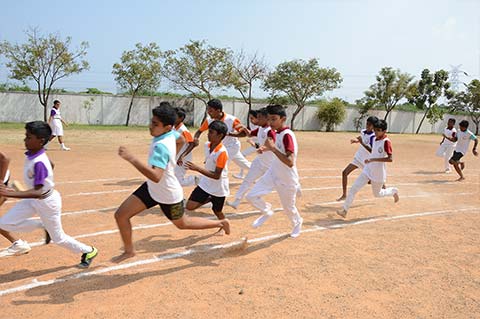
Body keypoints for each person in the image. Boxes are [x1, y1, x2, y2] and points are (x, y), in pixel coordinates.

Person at [113, 105, 230, 263]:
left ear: (167, 126)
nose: (150, 126)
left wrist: (132, 159)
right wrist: (173, 158)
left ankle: (221, 222)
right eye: (152, 122)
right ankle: (129, 251)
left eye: (155, 124)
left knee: (183, 224)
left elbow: (156, 176)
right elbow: (180, 140)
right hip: (151, 189)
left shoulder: (161, 147)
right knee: (121, 215)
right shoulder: (172, 133)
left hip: (168, 193)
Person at [0, 121, 97, 267]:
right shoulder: (34, 154)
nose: (25, 140)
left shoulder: (39, 162)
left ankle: (89, 250)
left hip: (47, 202)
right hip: (33, 199)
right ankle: (43, 225)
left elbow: (39, 191)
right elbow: (51, 164)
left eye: (29, 137)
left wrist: (11, 194)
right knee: (4, 224)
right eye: (25, 136)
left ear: (41, 141)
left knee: (59, 238)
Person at [246, 104, 303, 238]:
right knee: (251, 196)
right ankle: (266, 211)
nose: (270, 123)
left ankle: (298, 222)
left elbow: (290, 162)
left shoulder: (287, 135)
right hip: (272, 173)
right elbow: (274, 145)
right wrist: (265, 148)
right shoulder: (278, 133)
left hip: (286, 178)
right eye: (269, 119)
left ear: (283, 119)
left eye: (274, 119)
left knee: (288, 209)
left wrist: (272, 149)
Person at [337, 119, 399, 218]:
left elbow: (390, 159)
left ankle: (393, 191)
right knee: (354, 188)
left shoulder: (386, 142)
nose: (376, 132)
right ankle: (344, 210)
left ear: (384, 131)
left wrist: (373, 159)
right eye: (375, 130)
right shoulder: (374, 139)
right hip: (368, 170)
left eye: (378, 130)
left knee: (377, 194)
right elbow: (371, 150)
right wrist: (369, 158)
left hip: (378, 173)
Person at [178, 99, 251, 180]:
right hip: (218, 146)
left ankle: (216, 185)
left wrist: (229, 134)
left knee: (220, 168)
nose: (208, 112)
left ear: (218, 110)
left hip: (231, 147)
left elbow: (243, 134)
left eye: (211, 110)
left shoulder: (231, 120)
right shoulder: (209, 120)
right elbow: (199, 131)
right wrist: (196, 138)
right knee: (245, 164)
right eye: (208, 110)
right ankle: (262, 170)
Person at [184, 121, 230, 235]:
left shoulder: (222, 152)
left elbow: (216, 175)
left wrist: (197, 168)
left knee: (217, 211)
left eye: (211, 132)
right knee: (189, 206)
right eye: (208, 132)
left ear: (220, 136)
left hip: (218, 186)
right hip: (205, 182)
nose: (208, 134)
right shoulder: (207, 145)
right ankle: (208, 198)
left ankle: (224, 225)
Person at [227, 108, 276, 209]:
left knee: (278, 184)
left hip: (270, 165)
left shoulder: (270, 131)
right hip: (259, 162)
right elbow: (249, 134)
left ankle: (294, 187)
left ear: (267, 119)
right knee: (247, 181)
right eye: (257, 117)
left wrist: (261, 148)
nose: (257, 120)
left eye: (259, 118)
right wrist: (244, 128)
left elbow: (271, 145)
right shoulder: (260, 128)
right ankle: (236, 201)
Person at [337, 116, 378, 201]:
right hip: (358, 158)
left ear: (374, 127)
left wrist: (362, 142)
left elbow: (371, 151)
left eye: (370, 125)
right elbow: (363, 138)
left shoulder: (373, 137)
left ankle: (387, 190)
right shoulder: (363, 131)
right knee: (344, 172)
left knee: (375, 180)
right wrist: (357, 141)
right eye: (367, 123)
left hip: (367, 162)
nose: (367, 126)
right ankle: (344, 195)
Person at [173, 107, 198, 186]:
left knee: (178, 181)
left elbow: (192, 144)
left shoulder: (183, 130)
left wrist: (182, 156)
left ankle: (197, 180)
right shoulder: (174, 128)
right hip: (176, 157)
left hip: (183, 158)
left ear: (181, 118)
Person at [235, 110, 260, 179]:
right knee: (243, 155)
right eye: (250, 118)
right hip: (256, 145)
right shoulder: (252, 125)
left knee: (262, 163)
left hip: (259, 146)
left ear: (257, 118)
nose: (250, 120)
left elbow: (257, 137)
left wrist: (252, 142)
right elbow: (250, 134)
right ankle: (242, 174)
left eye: (252, 118)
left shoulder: (260, 126)